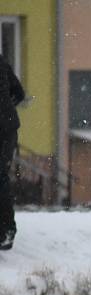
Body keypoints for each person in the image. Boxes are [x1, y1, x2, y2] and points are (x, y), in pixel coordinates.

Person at [0, 54, 25, 251]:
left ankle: (6, 231)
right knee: (1, 177)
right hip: (8, 130)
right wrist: (6, 109)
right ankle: (6, 231)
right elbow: (19, 93)